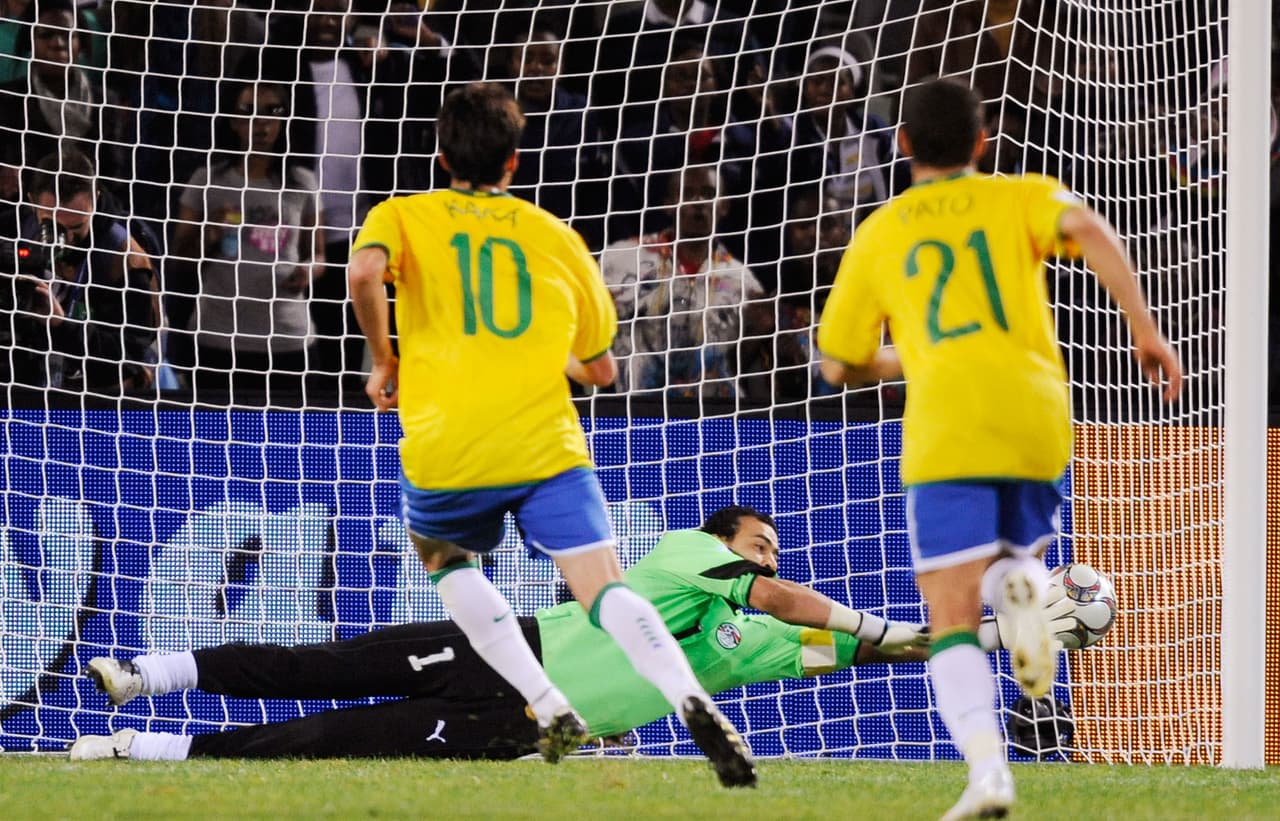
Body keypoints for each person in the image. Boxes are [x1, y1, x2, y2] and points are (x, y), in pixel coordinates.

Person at [345, 82, 754, 786]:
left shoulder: (402, 213)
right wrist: (547, 352)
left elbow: (362, 271)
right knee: (606, 590)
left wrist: (386, 358)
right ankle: (687, 694)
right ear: (514, 163)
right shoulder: (554, 235)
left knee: (446, 562)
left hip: (448, 442)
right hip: (544, 445)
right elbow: (599, 371)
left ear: (442, 156)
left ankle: (545, 700)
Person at [816, 78, 1182, 820]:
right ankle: (1020, 580)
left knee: (950, 616)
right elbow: (1088, 227)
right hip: (1036, 411)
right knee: (1017, 558)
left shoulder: (883, 230)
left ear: (904, 143)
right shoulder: (1019, 195)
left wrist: (909, 353)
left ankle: (989, 772)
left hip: (950, 422)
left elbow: (838, 364)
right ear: (983, 143)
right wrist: (1145, 328)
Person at [72, 506, 1078, 762]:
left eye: (774, 546)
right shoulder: (689, 560)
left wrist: (1002, 632)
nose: (768, 556)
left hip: (520, 727)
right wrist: (855, 612)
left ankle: (143, 746)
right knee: (314, 664)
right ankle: (148, 673)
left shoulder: (755, 647)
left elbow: (877, 648)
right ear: (724, 541)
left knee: (330, 739)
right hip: (508, 650)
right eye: (758, 542)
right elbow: (782, 602)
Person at [168, 80, 322, 402]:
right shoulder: (208, 180)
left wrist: (308, 270)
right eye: (249, 112)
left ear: (283, 121)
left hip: (287, 339)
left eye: (271, 113)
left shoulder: (303, 183)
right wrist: (211, 231)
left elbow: (318, 254)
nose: (260, 123)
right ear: (233, 121)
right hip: (219, 339)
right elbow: (179, 259)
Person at [602, 164, 768, 400]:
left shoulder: (743, 281)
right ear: (669, 203)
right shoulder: (621, 259)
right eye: (687, 194)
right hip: (639, 411)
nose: (698, 202)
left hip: (715, 417)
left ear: (724, 205)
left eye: (709, 194)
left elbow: (743, 364)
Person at [1, 146, 158, 394]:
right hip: (24, 382)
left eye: (77, 226)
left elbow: (131, 356)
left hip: (103, 396)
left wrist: (62, 325)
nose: (66, 239)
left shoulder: (125, 257)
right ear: (32, 202)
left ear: (95, 199)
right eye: (51, 226)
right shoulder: (13, 228)